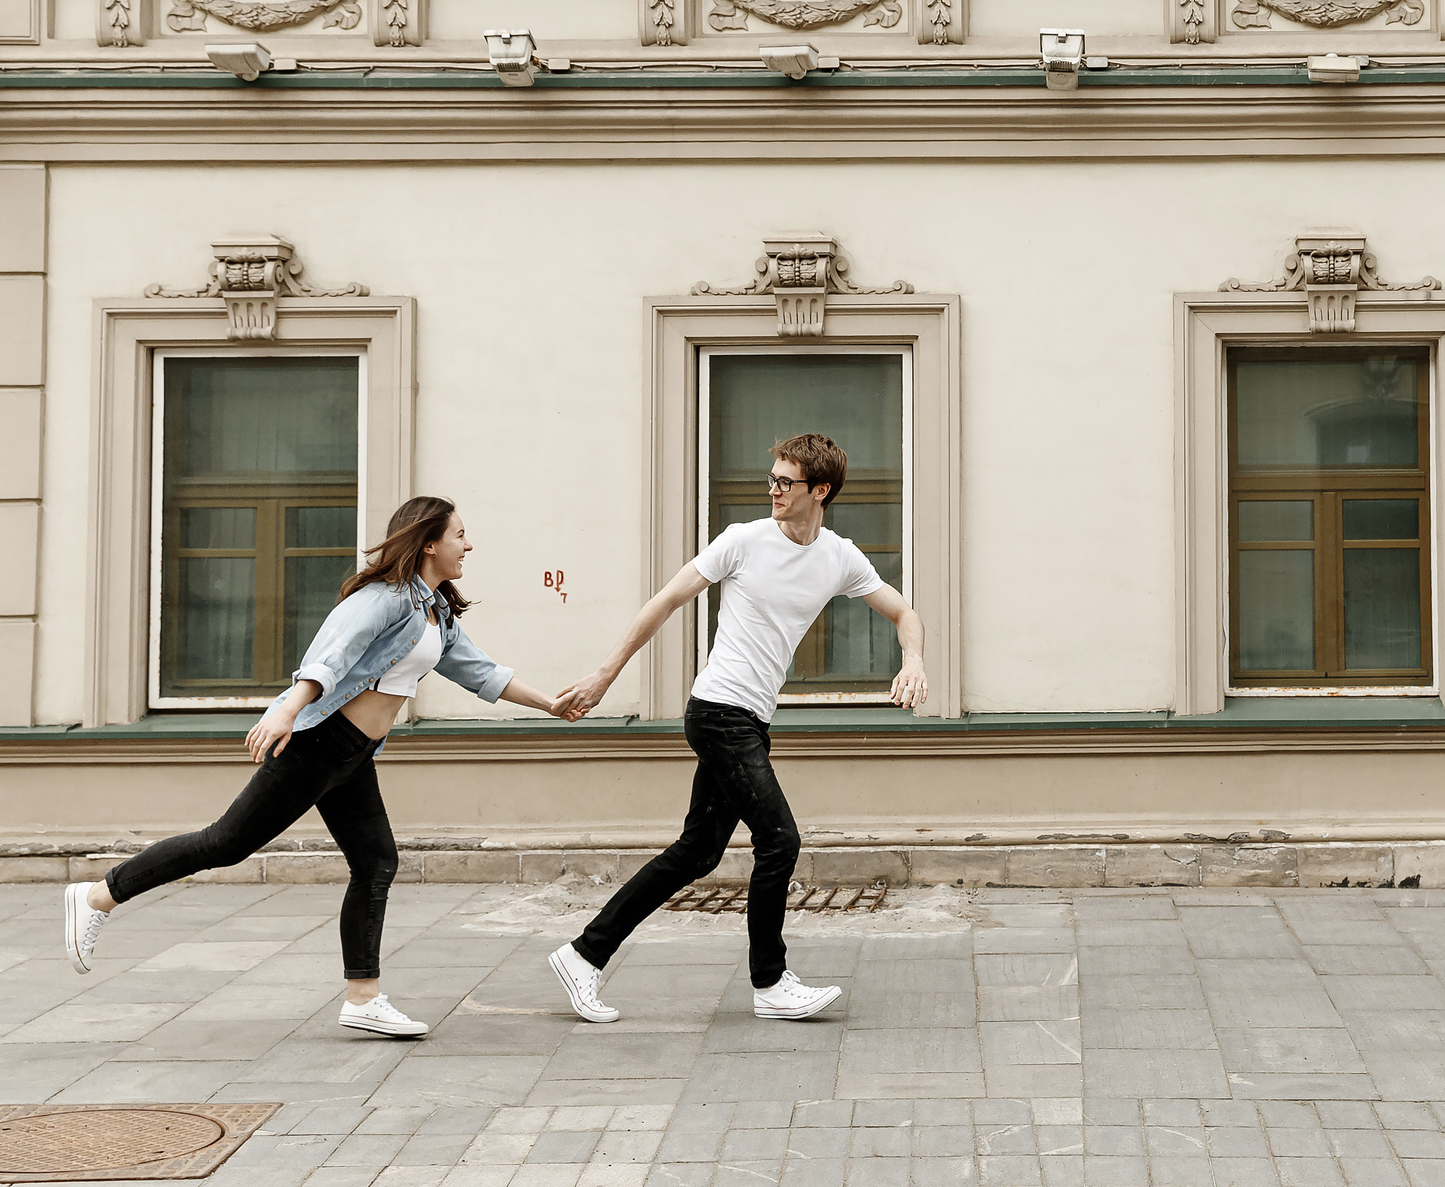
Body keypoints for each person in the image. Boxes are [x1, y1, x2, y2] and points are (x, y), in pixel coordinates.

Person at [62, 497, 573, 1037]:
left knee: (376, 864)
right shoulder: (386, 599)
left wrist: (552, 704)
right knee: (226, 843)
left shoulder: (434, 612)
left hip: (352, 756)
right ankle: (98, 895)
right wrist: (286, 710)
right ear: (428, 542)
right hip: (317, 742)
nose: (469, 545)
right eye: (460, 535)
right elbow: (330, 654)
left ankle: (362, 999)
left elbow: (482, 673)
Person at [545, 432, 925, 1024]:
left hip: (748, 718)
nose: (772, 491)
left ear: (819, 491)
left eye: (785, 482)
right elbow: (666, 601)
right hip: (720, 713)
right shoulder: (743, 542)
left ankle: (583, 954)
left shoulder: (839, 557)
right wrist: (604, 675)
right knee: (781, 841)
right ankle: (770, 983)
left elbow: (904, 612)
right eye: (770, 479)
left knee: (697, 851)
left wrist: (915, 659)